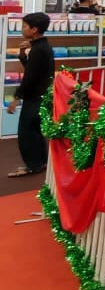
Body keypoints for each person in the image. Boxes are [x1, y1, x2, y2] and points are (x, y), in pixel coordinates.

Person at [6, 12, 56, 177]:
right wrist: (22, 55)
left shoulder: (38, 50)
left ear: (34, 29)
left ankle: (33, 165)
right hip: (41, 95)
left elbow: (29, 78)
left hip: (35, 97)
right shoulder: (42, 47)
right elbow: (33, 70)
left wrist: (16, 98)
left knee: (26, 133)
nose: (22, 29)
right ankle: (39, 162)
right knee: (35, 132)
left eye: (25, 26)